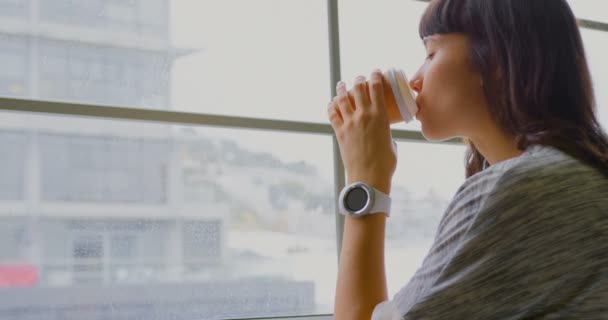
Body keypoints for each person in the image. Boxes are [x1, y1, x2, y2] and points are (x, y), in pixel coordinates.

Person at [326, 0, 608, 319]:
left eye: (431, 53)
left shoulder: (523, 187)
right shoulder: (582, 173)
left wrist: (366, 178)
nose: (415, 80)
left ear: (496, 60)